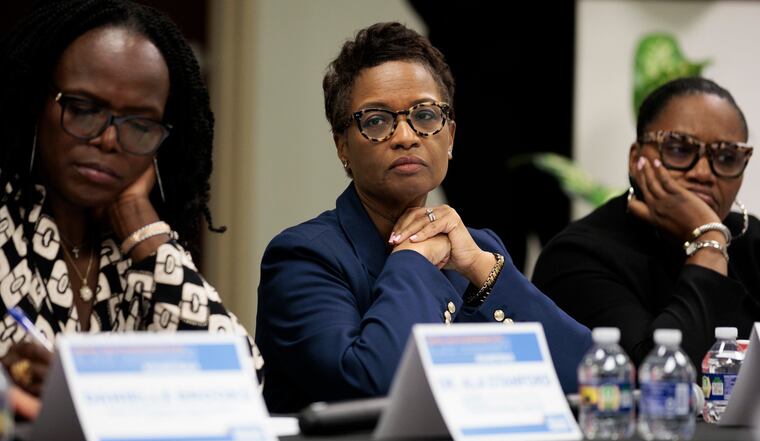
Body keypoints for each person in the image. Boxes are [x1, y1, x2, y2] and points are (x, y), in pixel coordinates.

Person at [255, 22, 592, 413]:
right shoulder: (302, 258)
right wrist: (414, 256)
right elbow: (374, 388)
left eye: (425, 115)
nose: (406, 136)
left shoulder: (479, 249)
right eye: (377, 120)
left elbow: (590, 378)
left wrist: (485, 271)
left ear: (449, 137)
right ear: (342, 146)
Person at [0, 0, 259, 418]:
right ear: (37, 104)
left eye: (139, 124)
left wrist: (143, 228)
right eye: (83, 109)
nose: (108, 140)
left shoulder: (138, 251)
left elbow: (242, 387)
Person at [533, 77, 760, 369]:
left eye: (727, 157)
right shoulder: (576, 255)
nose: (704, 172)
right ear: (636, 158)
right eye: (679, 149)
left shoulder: (752, 241)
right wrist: (709, 244)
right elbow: (656, 381)